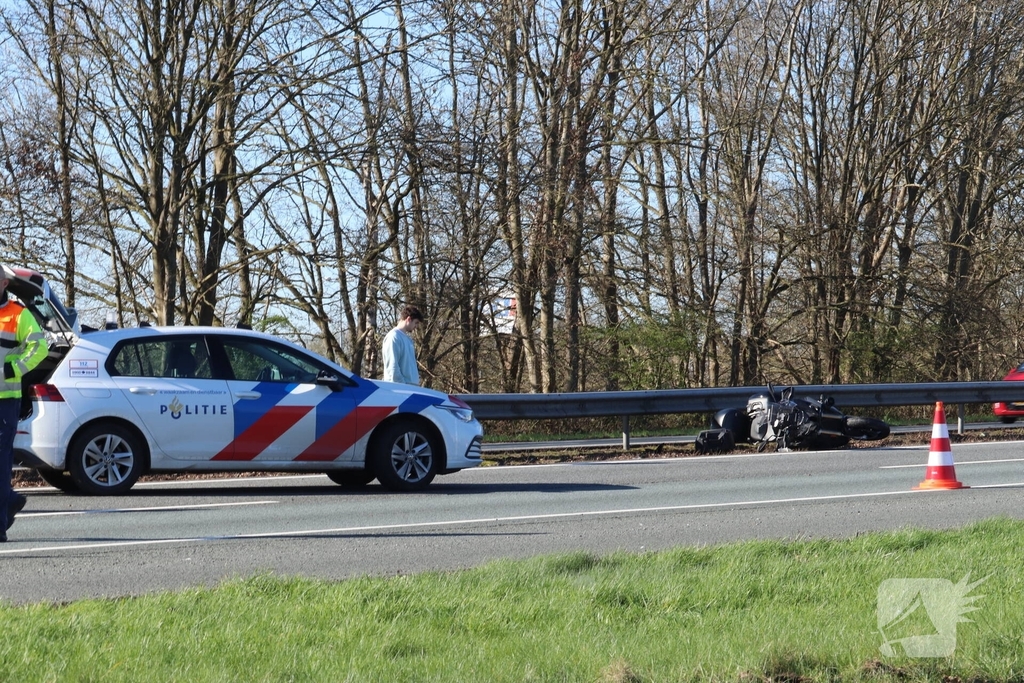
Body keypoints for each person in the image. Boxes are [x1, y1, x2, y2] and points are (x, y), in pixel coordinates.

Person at [0, 265, 48, 542]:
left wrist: (14, 369)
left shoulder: (19, 315)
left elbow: (39, 347)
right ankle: (11, 500)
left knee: (1, 462)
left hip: (5, 400)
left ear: (4, 284)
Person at [381, 305, 423, 385]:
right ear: (409, 319)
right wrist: (403, 388)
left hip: (410, 389)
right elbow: (392, 367)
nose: (416, 327)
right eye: (416, 323)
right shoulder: (393, 337)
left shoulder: (408, 340)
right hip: (400, 390)